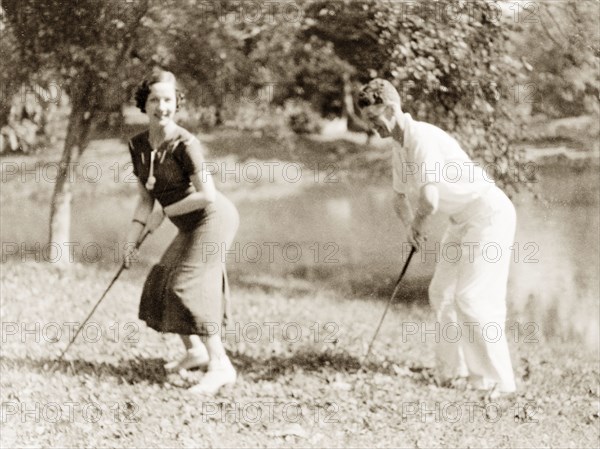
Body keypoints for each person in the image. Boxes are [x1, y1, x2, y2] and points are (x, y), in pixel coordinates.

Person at [357, 79, 517, 397]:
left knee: (473, 298)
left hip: (489, 215)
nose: (372, 127)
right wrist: (409, 228)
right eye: (368, 122)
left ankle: (497, 384)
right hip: (462, 221)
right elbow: (399, 198)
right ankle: (451, 374)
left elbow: (429, 201)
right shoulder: (399, 147)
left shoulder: (421, 137)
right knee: (442, 292)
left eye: (375, 120)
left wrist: (419, 224)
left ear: (391, 109)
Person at [123, 69, 240, 395]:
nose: (162, 107)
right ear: (143, 105)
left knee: (187, 285)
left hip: (213, 219)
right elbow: (145, 198)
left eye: (168, 100)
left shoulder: (185, 144)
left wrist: (165, 212)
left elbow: (207, 195)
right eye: (155, 100)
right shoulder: (138, 146)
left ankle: (221, 366)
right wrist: (131, 240)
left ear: (176, 104)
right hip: (187, 223)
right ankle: (195, 352)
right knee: (162, 281)